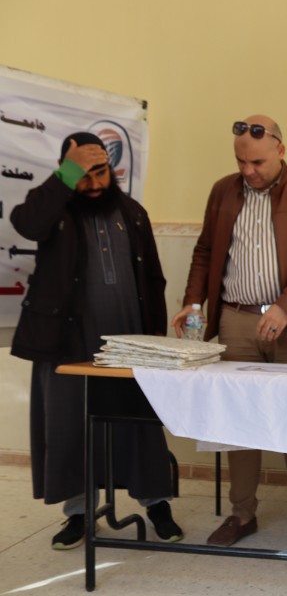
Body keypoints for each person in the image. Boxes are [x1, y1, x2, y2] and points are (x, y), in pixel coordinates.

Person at [173, 115, 287, 551]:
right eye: (241, 162)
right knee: (238, 419)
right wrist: (193, 301)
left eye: (258, 163)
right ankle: (242, 512)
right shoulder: (222, 191)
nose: (248, 171)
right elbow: (205, 250)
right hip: (236, 320)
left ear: (280, 150)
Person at [10, 132, 182, 549]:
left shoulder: (132, 212)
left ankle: (156, 505)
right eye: (82, 174)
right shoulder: (53, 209)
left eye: (99, 172)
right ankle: (79, 513)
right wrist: (68, 174)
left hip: (127, 340)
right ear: (66, 171)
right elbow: (26, 224)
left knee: (139, 423)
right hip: (66, 340)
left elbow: (153, 278)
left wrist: (154, 339)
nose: (92, 183)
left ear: (112, 170)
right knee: (68, 425)